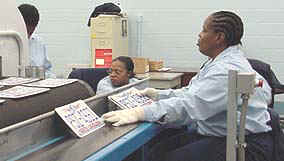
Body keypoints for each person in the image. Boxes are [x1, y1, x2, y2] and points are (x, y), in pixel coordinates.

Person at [102, 11, 280, 161]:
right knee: (157, 149)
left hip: (241, 145)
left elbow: (190, 106)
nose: (199, 35)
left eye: (204, 30)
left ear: (219, 37)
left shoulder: (225, 69)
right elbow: (192, 93)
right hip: (223, 135)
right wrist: (158, 95)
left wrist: (139, 112)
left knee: (163, 157)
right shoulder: (219, 62)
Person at [18, 4, 55, 78]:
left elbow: (48, 69)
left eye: (30, 32)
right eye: (25, 31)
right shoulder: (6, 42)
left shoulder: (39, 42)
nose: (27, 36)